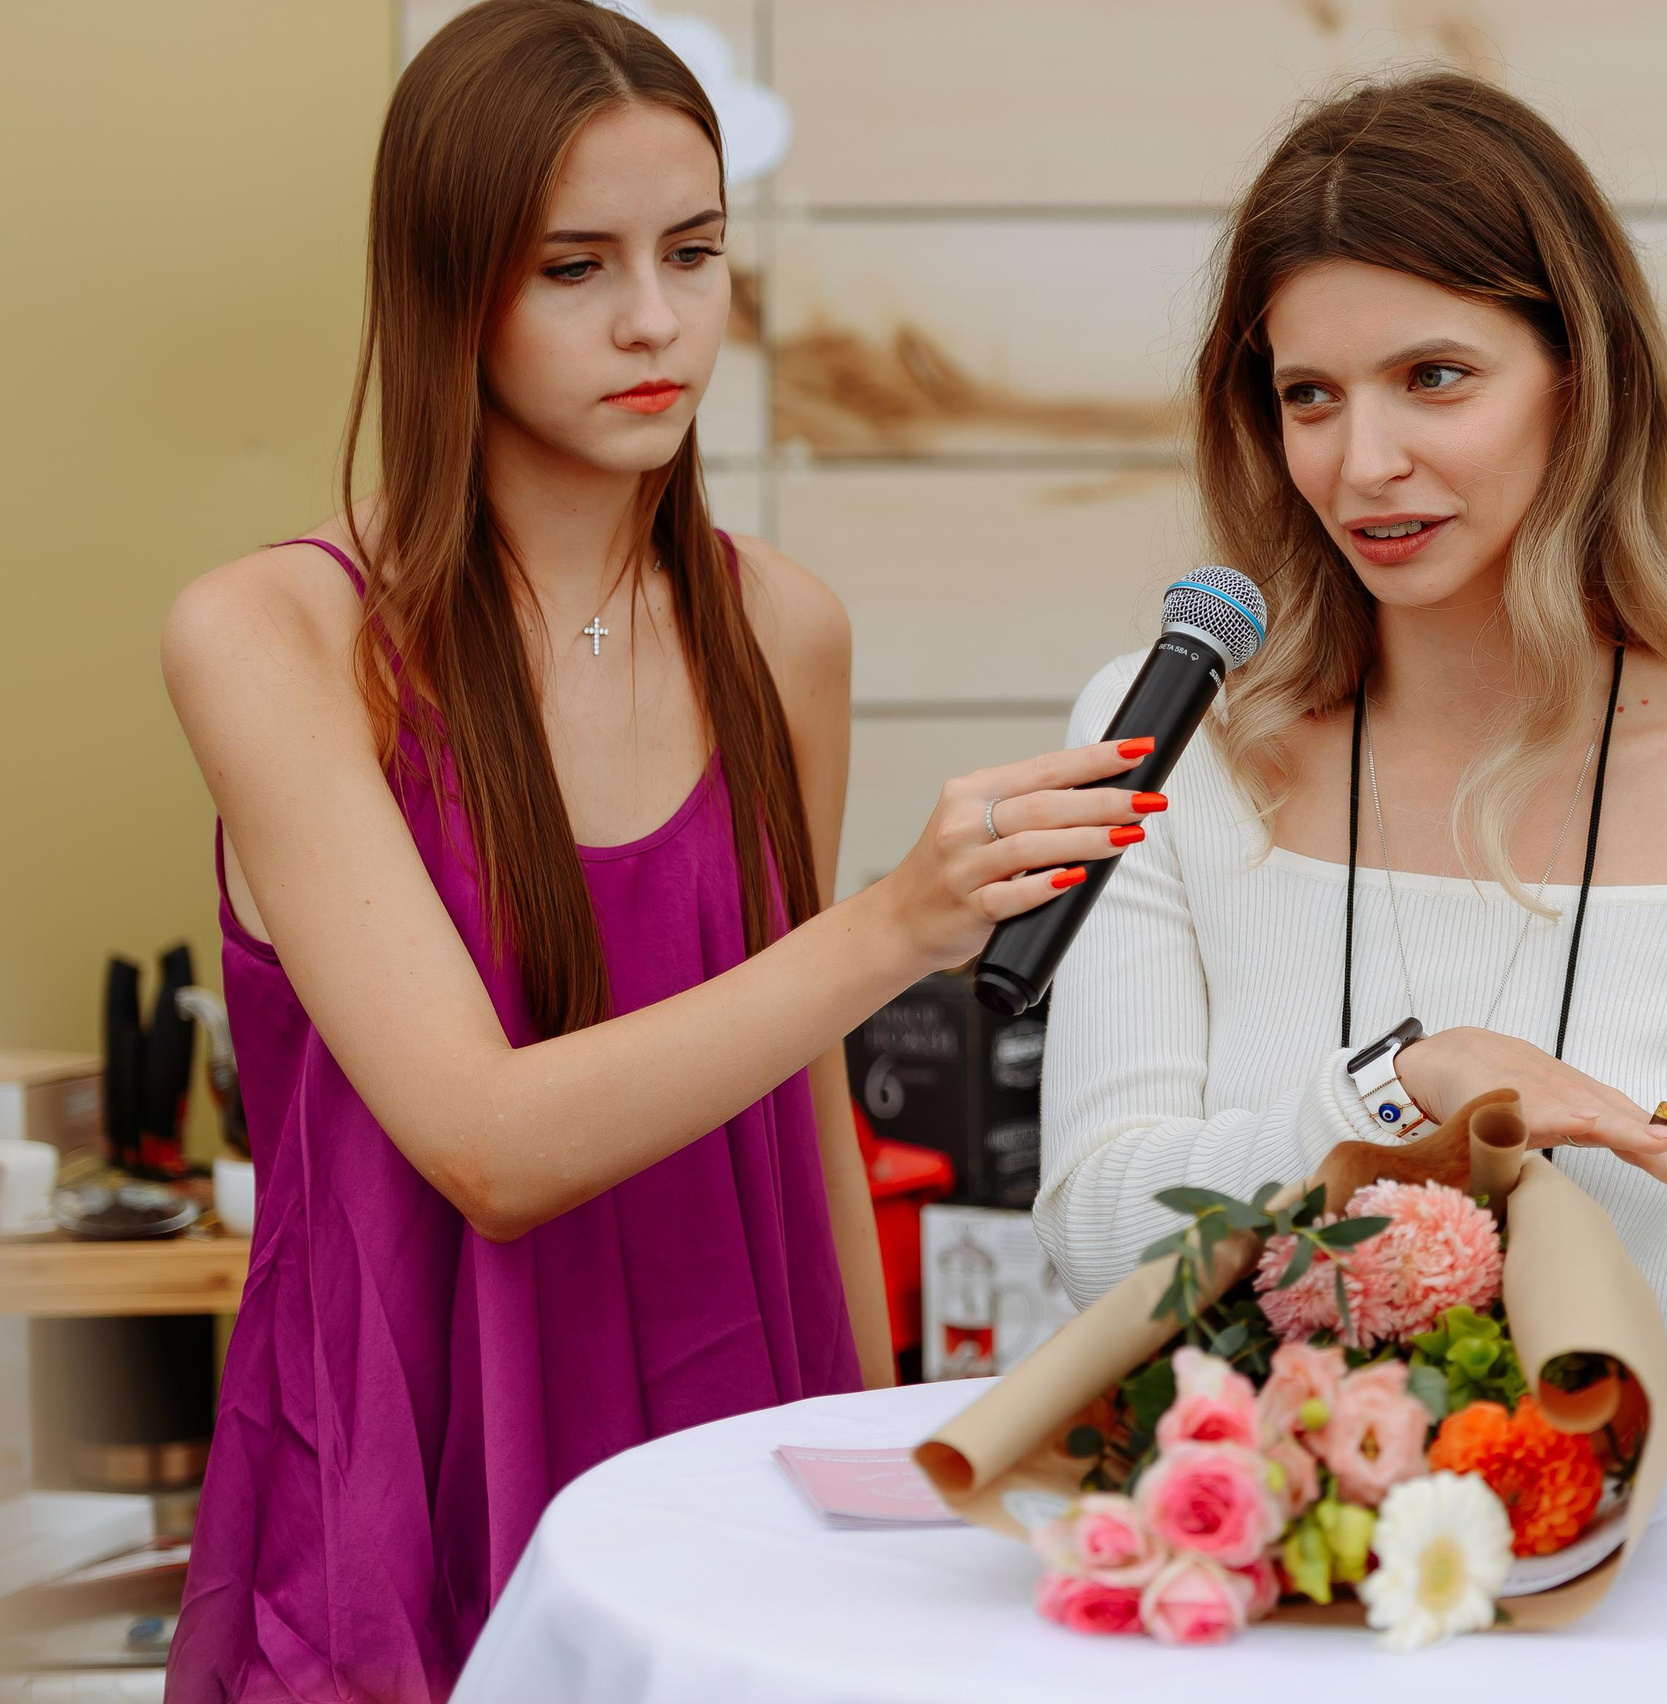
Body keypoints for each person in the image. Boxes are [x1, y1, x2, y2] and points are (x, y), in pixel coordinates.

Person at [158, 3, 1150, 1695]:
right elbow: (485, 1143)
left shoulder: (782, 631)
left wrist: (878, 1466)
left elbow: (807, 1102)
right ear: (446, 288)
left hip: (734, 1451)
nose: (655, 321)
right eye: (574, 268)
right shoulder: (275, 637)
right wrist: (895, 923)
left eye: (693, 252)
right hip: (406, 1498)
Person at [1036, 72, 1667, 1400]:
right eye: (1310, 396)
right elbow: (1100, 1245)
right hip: (1252, 1532)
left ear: (1581, 379)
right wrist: (1400, 1092)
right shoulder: (1172, 741)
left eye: (1434, 378)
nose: (1363, 463)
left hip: (1639, 1540)